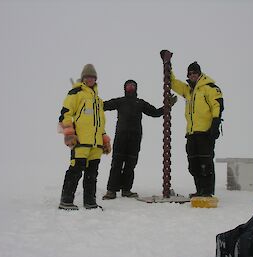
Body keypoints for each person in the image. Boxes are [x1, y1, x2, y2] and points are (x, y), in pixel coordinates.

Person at [162, 50, 224, 197]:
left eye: (195, 73)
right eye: (190, 74)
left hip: (205, 132)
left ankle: (207, 192)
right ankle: (199, 190)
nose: (192, 76)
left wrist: (215, 125)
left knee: (205, 163)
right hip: (191, 133)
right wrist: (167, 65)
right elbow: (173, 83)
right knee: (194, 164)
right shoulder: (188, 90)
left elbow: (217, 105)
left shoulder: (209, 88)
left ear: (200, 74)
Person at [102, 80, 177, 200]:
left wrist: (167, 106)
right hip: (120, 137)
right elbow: (102, 105)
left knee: (130, 164)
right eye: (128, 86)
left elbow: (156, 112)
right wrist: (90, 99)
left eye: (133, 86)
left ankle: (126, 190)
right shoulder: (120, 101)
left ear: (136, 88)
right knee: (116, 164)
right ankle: (111, 190)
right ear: (125, 88)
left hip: (135, 138)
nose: (130, 88)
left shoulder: (140, 103)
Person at [58, 64, 111, 210]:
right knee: (75, 171)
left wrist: (104, 139)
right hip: (81, 142)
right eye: (87, 77)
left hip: (96, 145)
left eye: (93, 77)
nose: (90, 79)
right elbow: (65, 114)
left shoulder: (99, 101)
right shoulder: (76, 93)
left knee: (92, 175)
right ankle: (66, 201)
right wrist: (69, 134)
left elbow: (100, 124)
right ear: (83, 78)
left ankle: (90, 202)